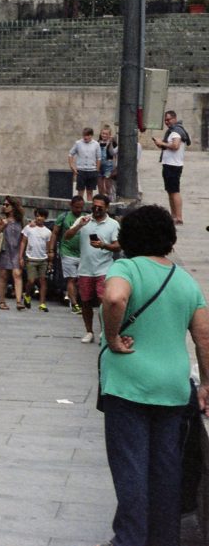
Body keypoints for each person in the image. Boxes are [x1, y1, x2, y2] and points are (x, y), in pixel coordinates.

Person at [98, 204, 209, 546]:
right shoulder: (184, 280)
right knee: (166, 473)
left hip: (128, 387)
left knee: (131, 470)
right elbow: (204, 336)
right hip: (173, 388)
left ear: (128, 237)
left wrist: (114, 337)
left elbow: (115, 299)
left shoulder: (126, 268)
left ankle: (129, 540)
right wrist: (206, 384)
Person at [64, 193, 120, 344]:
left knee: (104, 301)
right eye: (94, 206)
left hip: (104, 268)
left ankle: (104, 331)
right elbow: (67, 236)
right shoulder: (84, 220)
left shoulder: (113, 224)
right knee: (86, 301)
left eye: (100, 207)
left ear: (106, 208)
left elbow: (117, 246)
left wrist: (103, 245)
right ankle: (89, 331)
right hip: (85, 269)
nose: (96, 210)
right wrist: (79, 225)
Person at [151, 110, 189, 225]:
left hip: (173, 166)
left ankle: (178, 216)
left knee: (174, 191)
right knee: (170, 191)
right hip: (169, 164)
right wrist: (160, 144)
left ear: (174, 119)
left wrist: (162, 143)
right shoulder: (173, 131)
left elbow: (175, 146)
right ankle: (174, 216)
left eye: (169, 119)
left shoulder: (176, 131)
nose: (167, 122)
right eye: (165, 120)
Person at [51, 196, 85, 315]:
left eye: (81, 207)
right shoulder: (63, 217)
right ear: (71, 205)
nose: (79, 210)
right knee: (71, 278)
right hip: (67, 252)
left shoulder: (85, 218)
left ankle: (81, 301)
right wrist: (51, 249)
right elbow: (55, 233)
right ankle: (75, 304)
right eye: (76, 207)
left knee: (81, 279)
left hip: (82, 253)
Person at [0, 196, 24, 310]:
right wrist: (2, 226)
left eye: (7, 205)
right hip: (4, 250)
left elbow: (26, 235)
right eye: (3, 205)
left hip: (17, 251)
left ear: (14, 207)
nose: (4, 207)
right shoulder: (0, 218)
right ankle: (2, 301)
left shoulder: (21, 220)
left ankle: (19, 301)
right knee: (3, 276)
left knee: (17, 274)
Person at [19, 208, 54, 312]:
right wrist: (20, 256)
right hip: (31, 259)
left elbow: (48, 247)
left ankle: (42, 303)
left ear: (45, 218)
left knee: (43, 281)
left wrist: (50, 261)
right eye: (37, 216)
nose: (39, 218)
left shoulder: (48, 232)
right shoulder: (29, 228)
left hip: (43, 259)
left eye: (42, 216)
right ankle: (27, 294)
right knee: (31, 280)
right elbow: (23, 242)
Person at [68, 127, 101, 202]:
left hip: (92, 171)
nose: (85, 137)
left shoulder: (96, 144)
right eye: (84, 135)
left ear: (91, 136)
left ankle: (88, 208)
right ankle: (80, 206)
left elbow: (99, 158)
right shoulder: (78, 143)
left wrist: (97, 170)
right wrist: (72, 166)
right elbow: (70, 154)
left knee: (90, 192)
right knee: (80, 192)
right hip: (81, 170)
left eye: (87, 135)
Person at [97, 124, 117, 201]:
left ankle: (109, 200)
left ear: (109, 135)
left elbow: (115, 154)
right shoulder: (97, 142)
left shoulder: (113, 142)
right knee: (100, 185)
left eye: (106, 134)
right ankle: (100, 199)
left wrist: (111, 142)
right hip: (99, 165)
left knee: (108, 185)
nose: (104, 135)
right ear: (100, 134)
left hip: (108, 166)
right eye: (103, 133)